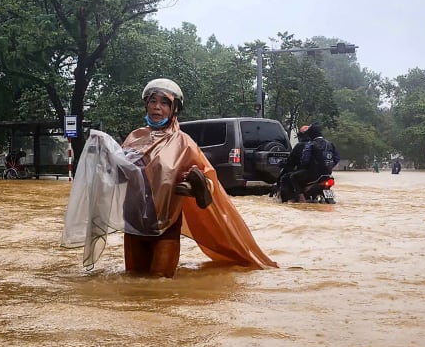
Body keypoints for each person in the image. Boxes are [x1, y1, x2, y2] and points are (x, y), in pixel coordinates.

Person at [62, 78, 277, 277]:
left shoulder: (184, 143)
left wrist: (196, 184)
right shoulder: (134, 137)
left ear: (174, 109)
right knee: (134, 282)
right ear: (146, 105)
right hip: (134, 222)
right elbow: (119, 178)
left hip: (166, 224)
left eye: (164, 103)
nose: (157, 107)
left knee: (159, 282)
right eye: (153, 101)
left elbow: (210, 182)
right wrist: (104, 157)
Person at [290, 123, 339, 203]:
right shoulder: (330, 144)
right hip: (328, 175)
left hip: (313, 175)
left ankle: (301, 198)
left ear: (312, 134)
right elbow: (337, 158)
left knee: (293, 177)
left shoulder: (310, 145)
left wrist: (304, 167)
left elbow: (305, 160)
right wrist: (329, 166)